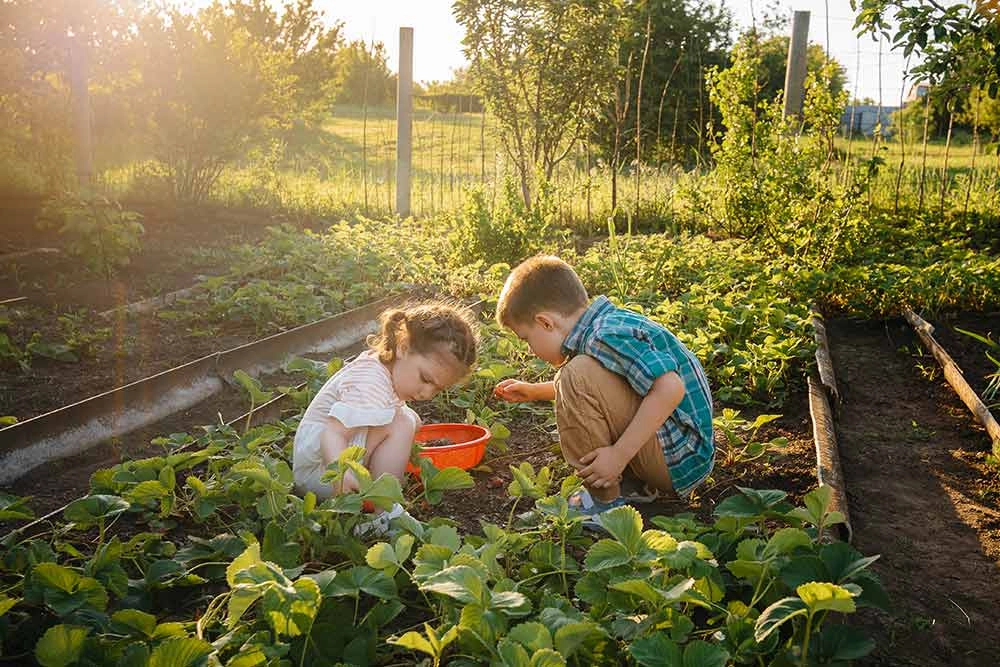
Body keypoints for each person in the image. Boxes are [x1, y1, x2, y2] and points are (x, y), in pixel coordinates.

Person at [492, 255, 714, 524]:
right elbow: (610, 390)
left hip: (678, 457)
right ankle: (633, 487)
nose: (530, 349)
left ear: (546, 322)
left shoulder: (604, 336)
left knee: (575, 373)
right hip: (681, 451)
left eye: (526, 339)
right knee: (577, 374)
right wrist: (535, 391)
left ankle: (604, 501)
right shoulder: (605, 326)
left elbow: (669, 388)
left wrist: (618, 456)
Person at [293, 301, 478, 532]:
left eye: (438, 389)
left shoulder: (388, 370)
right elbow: (334, 432)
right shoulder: (370, 380)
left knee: (409, 419)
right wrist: (342, 474)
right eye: (426, 379)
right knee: (402, 423)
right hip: (320, 474)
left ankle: (382, 493)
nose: (427, 394)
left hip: (328, 464)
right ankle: (383, 514)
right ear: (403, 346)